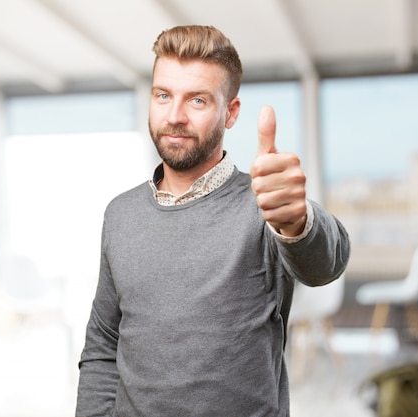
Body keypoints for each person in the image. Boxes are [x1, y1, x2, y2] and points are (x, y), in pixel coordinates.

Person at [76, 25, 351, 417]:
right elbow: (103, 345)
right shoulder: (120, 214)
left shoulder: (263, 206)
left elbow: (328, 263)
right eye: (163, 95)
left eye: (198, 101)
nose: (175, 116)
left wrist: (298, 219)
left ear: (231, 112)